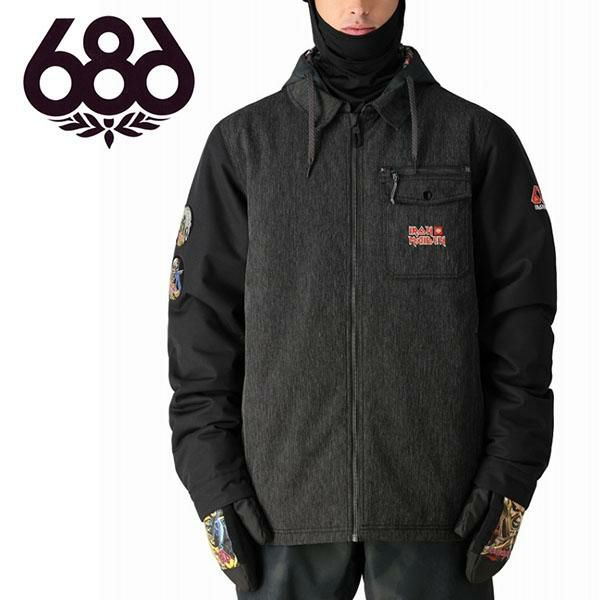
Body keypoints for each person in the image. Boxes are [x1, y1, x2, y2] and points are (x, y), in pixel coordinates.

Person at [167, 1, 557, 598]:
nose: (356, 6)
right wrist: (214, 488)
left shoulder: (476, 138)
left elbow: (522, 331)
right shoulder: (244, 145)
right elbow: (201, 333)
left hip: (442, 514)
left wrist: (509, 479)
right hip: (279, 515)